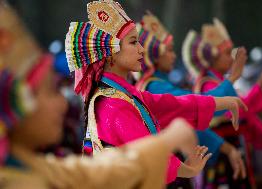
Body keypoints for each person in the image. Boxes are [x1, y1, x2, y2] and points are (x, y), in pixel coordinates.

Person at [0, 2, 206, 189]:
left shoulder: (31, 167)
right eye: (50, 91)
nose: (63, 102)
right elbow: (108, 172)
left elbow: (102, 171)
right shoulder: (112, 103)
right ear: (15, 102)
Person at [65, 0, 247, 184]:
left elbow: (175, 104)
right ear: (111, 52)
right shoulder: (114, 105)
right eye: (134, 42)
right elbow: (151, 152)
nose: (141, 48)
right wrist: (189, 169)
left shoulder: (124, 96)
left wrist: (225, 102)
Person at [135, 12, 246, 188]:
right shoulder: (154, 86)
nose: (173, 56)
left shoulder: (152, 84)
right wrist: (232, 79)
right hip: (169, 166)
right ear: (156, 53)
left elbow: (191, 116)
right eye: (170, 50)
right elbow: (192, 108)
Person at [182, 18, 262, 188]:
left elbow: (244, 113)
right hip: (220, 155)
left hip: (231, 152)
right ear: (213, 57)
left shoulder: (218, 81)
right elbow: (238, 110)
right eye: (227, 53)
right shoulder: (208, 83)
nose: (231, 58)